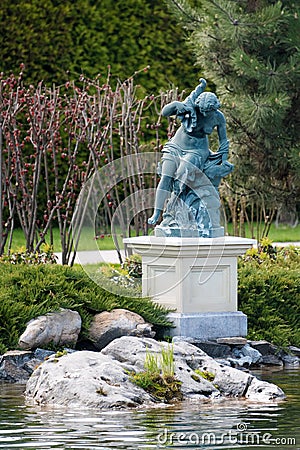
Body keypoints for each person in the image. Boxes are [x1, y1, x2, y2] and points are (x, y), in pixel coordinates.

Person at [148, 78, 233, 226]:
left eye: (209, 112)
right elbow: (164, 112)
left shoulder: (218, 117)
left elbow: (223, 140)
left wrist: (224, 159)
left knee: (183, 174)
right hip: (176, 145)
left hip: (198, 150)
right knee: (166, 177)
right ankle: (157, 213)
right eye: (204, 111)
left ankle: (173, 208)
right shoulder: (191, 106)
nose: (206, 115)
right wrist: (175, 104)